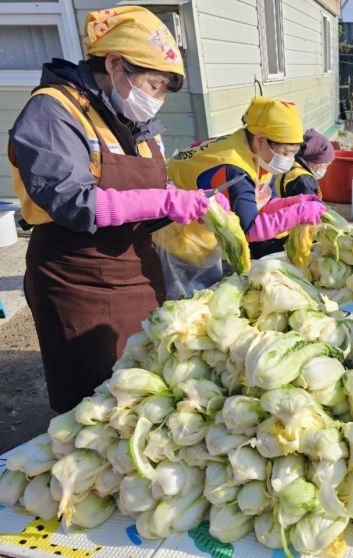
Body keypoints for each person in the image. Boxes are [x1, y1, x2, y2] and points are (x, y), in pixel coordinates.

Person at [7, 6, 219, 412]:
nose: (156, 100)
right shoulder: (53, 112)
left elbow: (152, 194)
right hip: (77, 279)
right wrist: (162, 200)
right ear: (116, 64)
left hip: (136, 272)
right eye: (154, 85)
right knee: (95, 401)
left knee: (140, 384)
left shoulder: (133, 124)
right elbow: (73, 201)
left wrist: (189, 205)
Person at [168, 96, 327, 260]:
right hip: (180, 235)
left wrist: (293, 202)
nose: (289, 160)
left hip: (200, 227)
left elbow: (260, 203)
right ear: (261, 140)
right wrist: (298, 214)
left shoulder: (260, 155)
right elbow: (248, 229)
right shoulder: (234, 168)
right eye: (285, 153)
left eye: (293, 154)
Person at [274, 129, 335, 198]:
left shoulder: (293, 164)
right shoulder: (304, 180)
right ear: (314, 161)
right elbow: (310, 207)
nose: (325, 169)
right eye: (325, 165)